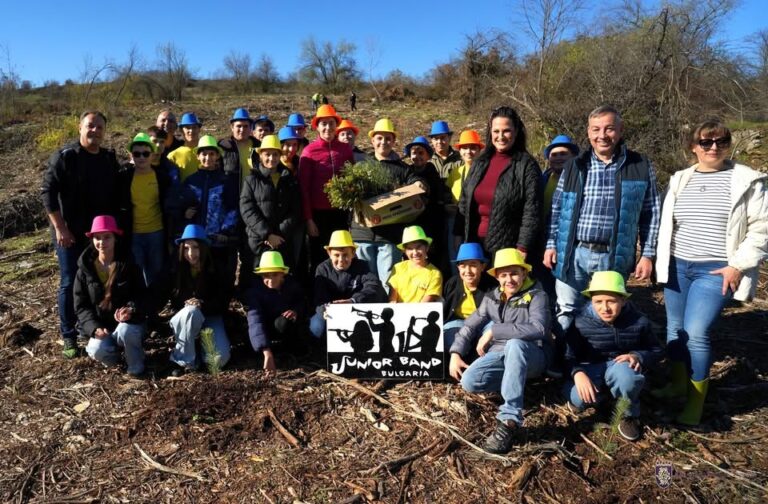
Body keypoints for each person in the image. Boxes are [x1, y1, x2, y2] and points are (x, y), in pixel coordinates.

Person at [653, 120, 768, 426]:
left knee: (696, 333)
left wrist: (738, 265)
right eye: (706, 142)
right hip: (678, 265)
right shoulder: (680, 179)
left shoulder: (747, 180)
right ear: (694, 147)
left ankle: (695, 401)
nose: (714, 147)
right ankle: (677, 384)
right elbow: (668, 226)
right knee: (675, 328)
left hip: (716, 269)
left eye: (721, 141)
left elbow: (761, 228)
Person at [543, 105, 660, 334]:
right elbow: (557, 208)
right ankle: (568, 362)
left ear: (620, 130)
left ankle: (599, 362)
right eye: (596, 129)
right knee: (567, 308)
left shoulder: (640, 166)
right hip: (573, 252)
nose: (602, 135)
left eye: (609, 129)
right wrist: (550, 244)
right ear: (588, 132)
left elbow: (651, 214)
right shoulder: (574, 165)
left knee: (607, 313)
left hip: (614, 254)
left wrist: (647, 254)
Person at [449, 248, 552, 453]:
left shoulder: (537, 295)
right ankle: (515, 380)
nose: (509, 279)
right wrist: (455, 353)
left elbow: (539, 328)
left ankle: (509, 420)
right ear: (496, 277)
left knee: (515, 344)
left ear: (524, 273)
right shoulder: (493, 297)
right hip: (501, 354)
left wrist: (495, 330)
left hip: (532, 354)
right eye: (503, 275)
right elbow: (470, 325)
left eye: (514, 273)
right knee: (469, 381)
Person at [41, 110, 123, 358]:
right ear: (80, 128)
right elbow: (47, 192)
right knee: (70, 281)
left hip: (100, 236)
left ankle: (97, 326)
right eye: (90, 126)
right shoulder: (66, 157)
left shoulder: (108, 158)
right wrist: (60, 227)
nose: (95, 131)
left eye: (100, 127)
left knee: (99, 279)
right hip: (70, 233)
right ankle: (69, 335)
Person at [563, 271, 662, 441]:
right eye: (598, 302)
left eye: (611, 301)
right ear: (591, 300)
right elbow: (566, 354)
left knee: (627, 376)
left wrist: (637, 356)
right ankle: (603, 396)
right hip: (589, 368)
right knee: (578, 399)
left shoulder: (638, 321)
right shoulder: (580, 321)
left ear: (623, 300)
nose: (605, 308)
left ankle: (627, 413)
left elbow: (656, 350)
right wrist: (577, 373)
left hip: (619, 366)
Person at [454, 106, 541, 259]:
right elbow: (464, 201)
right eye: (496, 131)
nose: (501, 136)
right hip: (473, 245)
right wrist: (458, 235)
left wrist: (523, 247)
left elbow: (532, 210)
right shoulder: (480, 162)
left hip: (508, 248)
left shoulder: (526, 165)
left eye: (506, 130)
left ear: (516, 132)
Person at [351, 118, 426, 288]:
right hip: (362, 234)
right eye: (379, 138)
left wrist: (419, 183)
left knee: (388, 282)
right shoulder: (361, 165)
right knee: (365, 284)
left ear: (393, 141)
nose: (383, 142)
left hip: (389, 236)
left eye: (388, 138)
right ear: (373, 140)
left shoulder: (402, 168)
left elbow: (415, 180)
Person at [74, 216, 146, 376]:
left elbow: (142, 295)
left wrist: (130, 309)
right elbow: (81, 306)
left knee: (126, 331)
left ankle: (136, 364)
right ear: (92, 240)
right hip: (103, 326)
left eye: (107, 237)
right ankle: (117, 359)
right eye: (97, 238)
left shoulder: (129, 265)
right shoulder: (84, 270)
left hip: (130, 324)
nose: (102, 242)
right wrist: (94, 328)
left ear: (115, 239)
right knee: (95, 349)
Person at [175, 135, 240, 297]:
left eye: (211, 154)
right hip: (196, 242)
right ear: (198, 156)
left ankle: (219, 311)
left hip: (217, 240)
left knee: (219, 277)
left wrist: (225, 231)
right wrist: (185, 214)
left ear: (217, 156)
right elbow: (179, 206)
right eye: (204, 154)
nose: (207, 158)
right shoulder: (190, 182)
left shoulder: (225, 181)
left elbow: (233, 209)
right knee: (198, 276)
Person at [168, 224, 231, 377]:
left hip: (211, 315)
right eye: (187, 248)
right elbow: (158, 292)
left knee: (218, 361)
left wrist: (203, 304)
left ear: (204, 247)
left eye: (195, 247)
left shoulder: (217, 267)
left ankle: (198, 348)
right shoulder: (175, 267)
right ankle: (183, 361)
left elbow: (224, 300)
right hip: (185, 318)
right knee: (191, 311)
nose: (191, 253)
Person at [240, 134, 301, 288]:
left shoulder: (289, 179)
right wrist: (267, 234)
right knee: (255, 278)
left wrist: (278, 235)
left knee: (282, 277)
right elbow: (247, 209)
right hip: (257, 240)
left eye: (275, 154)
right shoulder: (251, 180)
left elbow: (295, 210)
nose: (271, 158)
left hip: (282, 240)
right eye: (267, 154)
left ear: (280, 155)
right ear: (260, 155)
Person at [299, 104, 354, 274]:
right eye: (324, 124)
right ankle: (319, 296)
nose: (328, 127)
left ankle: (341, 295)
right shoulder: (309, 152)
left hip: (340, 213)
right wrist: (309, 219)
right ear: (317, 126)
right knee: (319, 257)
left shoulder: (345, 150)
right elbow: (304, 188)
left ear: (336, 125)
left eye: (331, 123)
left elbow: (352, 179)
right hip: (318, 215)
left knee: (341, 256)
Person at [309, 230, 387, 340]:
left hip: (356, 308)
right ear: (329, 253)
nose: (341, 260)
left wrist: (353, 301)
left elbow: (373, 286)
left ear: (353, 253)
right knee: (316, 328)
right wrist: (325, 310)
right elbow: (319, 297)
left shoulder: (362, 266)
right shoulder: (322, 269)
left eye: (345, 255)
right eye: (336, 255)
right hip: (331, 310)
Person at [119, 132, 172, 290]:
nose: (141, 157)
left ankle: (154, 305)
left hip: (156, 231)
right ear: (132, 155)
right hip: (133, 232)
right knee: (137, 270)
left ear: (151, 154)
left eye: (145, 153)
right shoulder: (124, 176)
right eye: (137, 153)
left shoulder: (162, 177)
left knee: (156, 270)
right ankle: (140, 307)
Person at [244, 251, 305, 372]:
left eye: (275, 274)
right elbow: (255, 320)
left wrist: (295, 311)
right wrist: (266, 352)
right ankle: (267, 350)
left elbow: (302, 302)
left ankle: (290, 350)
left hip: (283, 325)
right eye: (266, 275)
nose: (270, 279)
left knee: (285, 323)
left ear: (283, 274)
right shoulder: (254, 292)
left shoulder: (292, 285)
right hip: (265, 327)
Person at [442, 243, 496, 349]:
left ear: (482, 266)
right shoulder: (452, 283)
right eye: (463, 265)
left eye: (473, 265)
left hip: (485, 323)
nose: (468, 271)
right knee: (451, 339)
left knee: (493, 337)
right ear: (458, 267)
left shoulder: (492, 286)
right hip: (458, 321)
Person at [446, 130, 484, 263]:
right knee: (456, 256)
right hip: (456, 220)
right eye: (465, 148)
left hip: (478, 222)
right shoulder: (456, 172)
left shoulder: (485, 171)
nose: (468, 152)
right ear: (460, 151)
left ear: (479, 150)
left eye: (473, 148)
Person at [387, 226, 442, 303]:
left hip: (420, 314)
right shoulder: (398, 267)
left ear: (427, 248)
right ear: (404, 251)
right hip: (399, 313)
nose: (415, 252)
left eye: (418, 247)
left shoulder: (435, 273)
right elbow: (392, 300)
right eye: (410, 248)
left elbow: (425, 304)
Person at [219, 107, 258, 191]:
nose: (242, 129)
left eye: (245, 126)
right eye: (239, 126)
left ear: (251, 128)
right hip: (231, 196)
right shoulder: (223, 147)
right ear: (232, 127)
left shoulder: (258, 146)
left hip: (254, 196)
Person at [167, 112, 202, 182]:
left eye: (194, 127)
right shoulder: (173, 155)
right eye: (187, 127)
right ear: (181, 130)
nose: (191, 131)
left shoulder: (208, 152)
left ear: (199, 129)